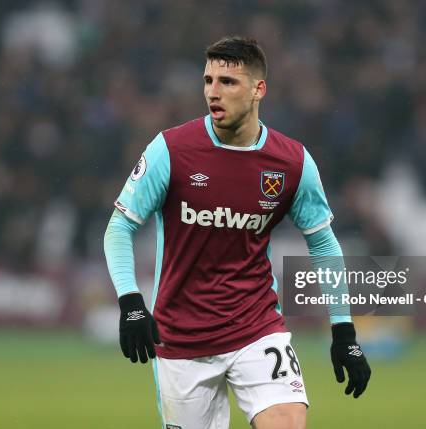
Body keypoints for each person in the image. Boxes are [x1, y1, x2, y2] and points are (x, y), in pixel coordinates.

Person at [104, 36, 371, 429]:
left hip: (256, 329)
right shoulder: (171, 149)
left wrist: (343, 329)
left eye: (228, 82)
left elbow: (323, 242)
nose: (214, 92)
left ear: (258, 89)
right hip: (181, 340)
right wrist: (130, 303)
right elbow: (119, 228)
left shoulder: (291, 162)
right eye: (208, 80)